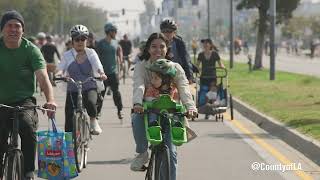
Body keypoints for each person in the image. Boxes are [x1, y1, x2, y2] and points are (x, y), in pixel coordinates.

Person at [130, 32, 197, 180]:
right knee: (136, 117)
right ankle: (142, 153)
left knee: (171, 153)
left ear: (167, 49)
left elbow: (184, 88)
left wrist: (191, 107)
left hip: (172, 112)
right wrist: (137, 103)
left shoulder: (176, 67)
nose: (158, 50)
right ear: (148, 49)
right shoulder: (141, 67)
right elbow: (139, 86)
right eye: (154, 46)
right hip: (147, 111)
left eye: (162, 46)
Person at [0, 10, 57, 180]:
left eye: (17, 26)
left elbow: (43, 76)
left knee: (27, 126)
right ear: (2, 29)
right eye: (9, 26)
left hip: (24, 101)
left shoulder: (31, 50)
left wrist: (51, 100)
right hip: (0, 102)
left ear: (23, 30)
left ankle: (28, 172)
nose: (13, 29)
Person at [57, 24, 107, 135]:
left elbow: (97, 65)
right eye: (77, 39)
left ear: (87, 40)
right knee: (69, 117)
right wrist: (59, 74)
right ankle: (70, 146)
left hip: (89, 86)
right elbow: (60, 68)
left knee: (90, 102)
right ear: (72, 41)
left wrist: (101, 73)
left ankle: (94, 122)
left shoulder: (91, 53)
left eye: (83, 39)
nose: (80, 42)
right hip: (73, 88)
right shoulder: (67, 55)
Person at [96, 22, 124, 119]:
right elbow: (96, 57)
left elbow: (119, 52)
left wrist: (120, 64)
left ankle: (120, 110)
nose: (115, 33)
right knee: (101, 93)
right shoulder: (100, 44)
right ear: (109, 32)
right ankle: (97, 112)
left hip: (113, 72)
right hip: (103, 73)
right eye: (114, 31)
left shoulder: (115, 42)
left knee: (116, 92)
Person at [144, 59, 180, 126]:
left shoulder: (173, 89)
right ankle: (153, 125)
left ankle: (177, 126)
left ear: (166, 80)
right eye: (152, 78)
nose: (152, 81)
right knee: (152, 114)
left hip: (170, 111)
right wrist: (153, 100)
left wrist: (174, 101)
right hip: (156, 110)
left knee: (176, 114)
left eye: (155, 78)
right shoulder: (152, 89)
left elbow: (177, 100)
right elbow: (147, 97)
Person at [160, 18, 193, 84]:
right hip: (161, 75)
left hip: (178, 74)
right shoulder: (158, 42)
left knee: (185, 93)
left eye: (170, 31)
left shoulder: (179, 43)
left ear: (174, 32)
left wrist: (189, 76)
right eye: (165, 31)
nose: (167, 33)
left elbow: (185, 59)